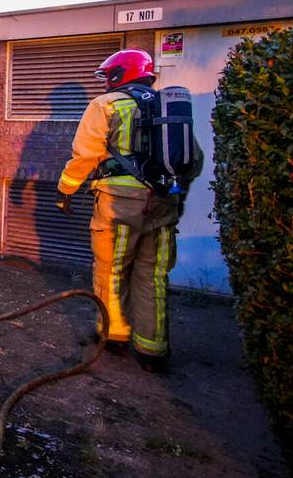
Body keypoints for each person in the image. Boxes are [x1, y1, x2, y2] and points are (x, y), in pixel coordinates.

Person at [54, 49, 202, 373]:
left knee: (112, 270)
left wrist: (65, 191)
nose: (106, 81)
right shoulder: (168, 107)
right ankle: (152, 351)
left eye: (109, 75)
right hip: (164, 204)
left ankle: (114, 336)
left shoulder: (105, 105)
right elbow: (194, 159)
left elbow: (85, 156)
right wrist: (179, 196)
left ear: (120, 74)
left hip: (119, 205)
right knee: (154, 276)